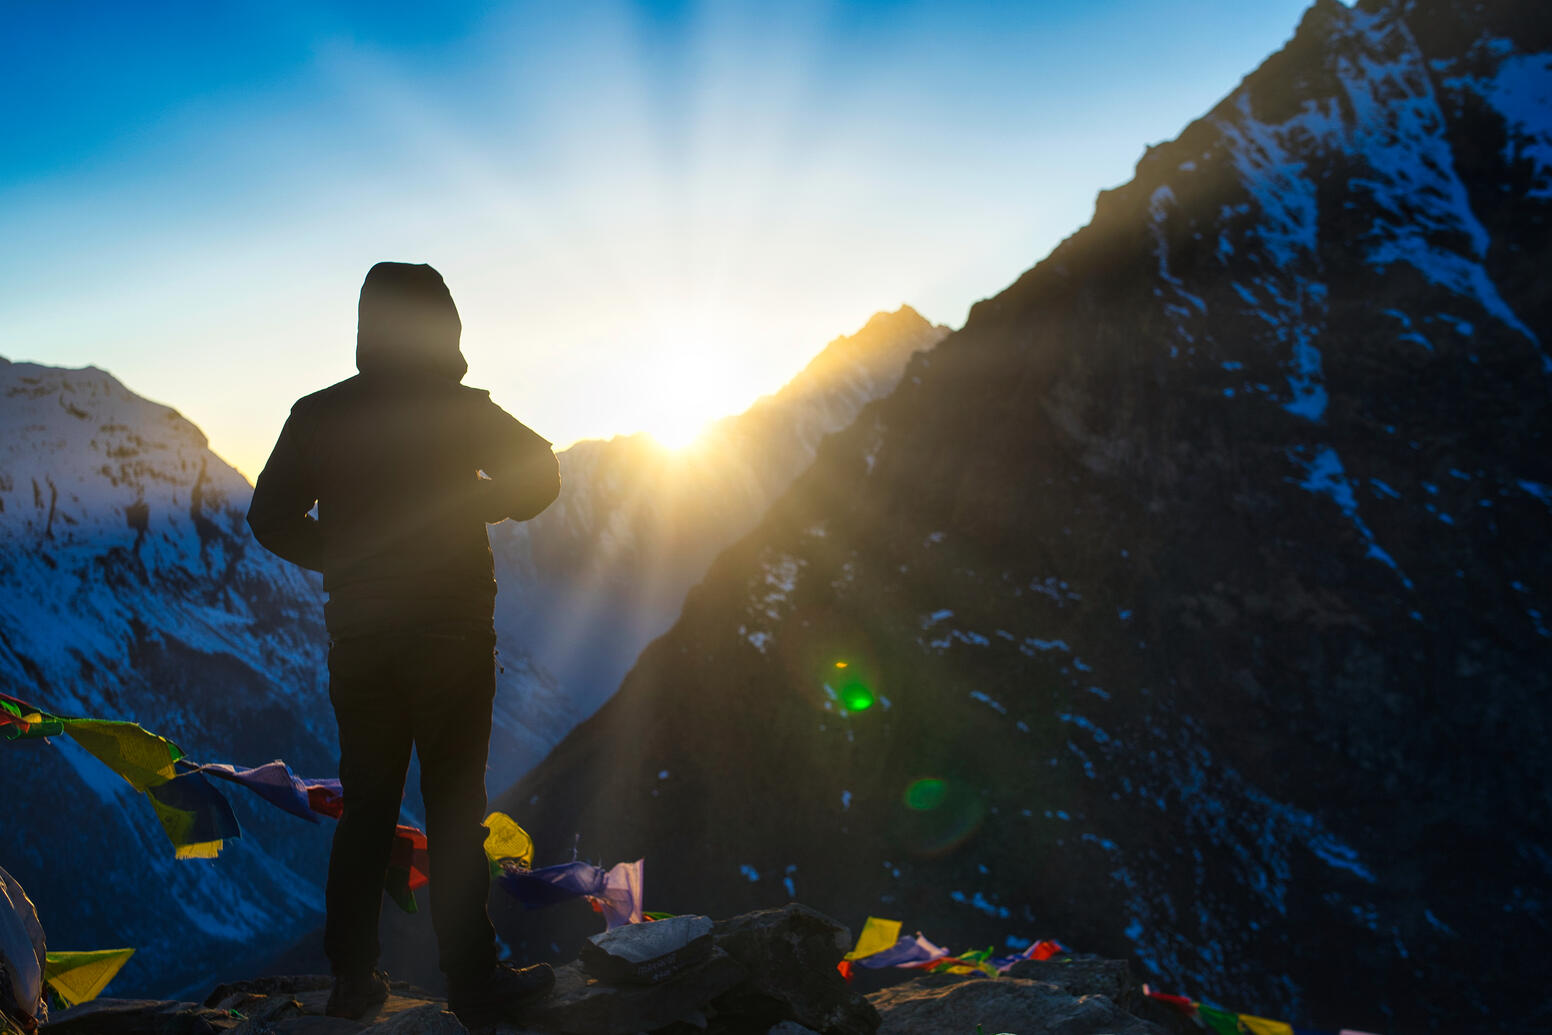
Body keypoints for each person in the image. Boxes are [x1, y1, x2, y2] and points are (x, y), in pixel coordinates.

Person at [247, 261, 561, 1027]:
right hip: (452, 634)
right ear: (442, 327)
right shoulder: (463, 412)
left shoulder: (318, 413)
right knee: (456, 808)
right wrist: (485, 500)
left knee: (368, 806)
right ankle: (475, 980)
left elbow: (269, 515)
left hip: (362, 639)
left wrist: (344, 557)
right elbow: (543, 474)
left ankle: (354, 979)